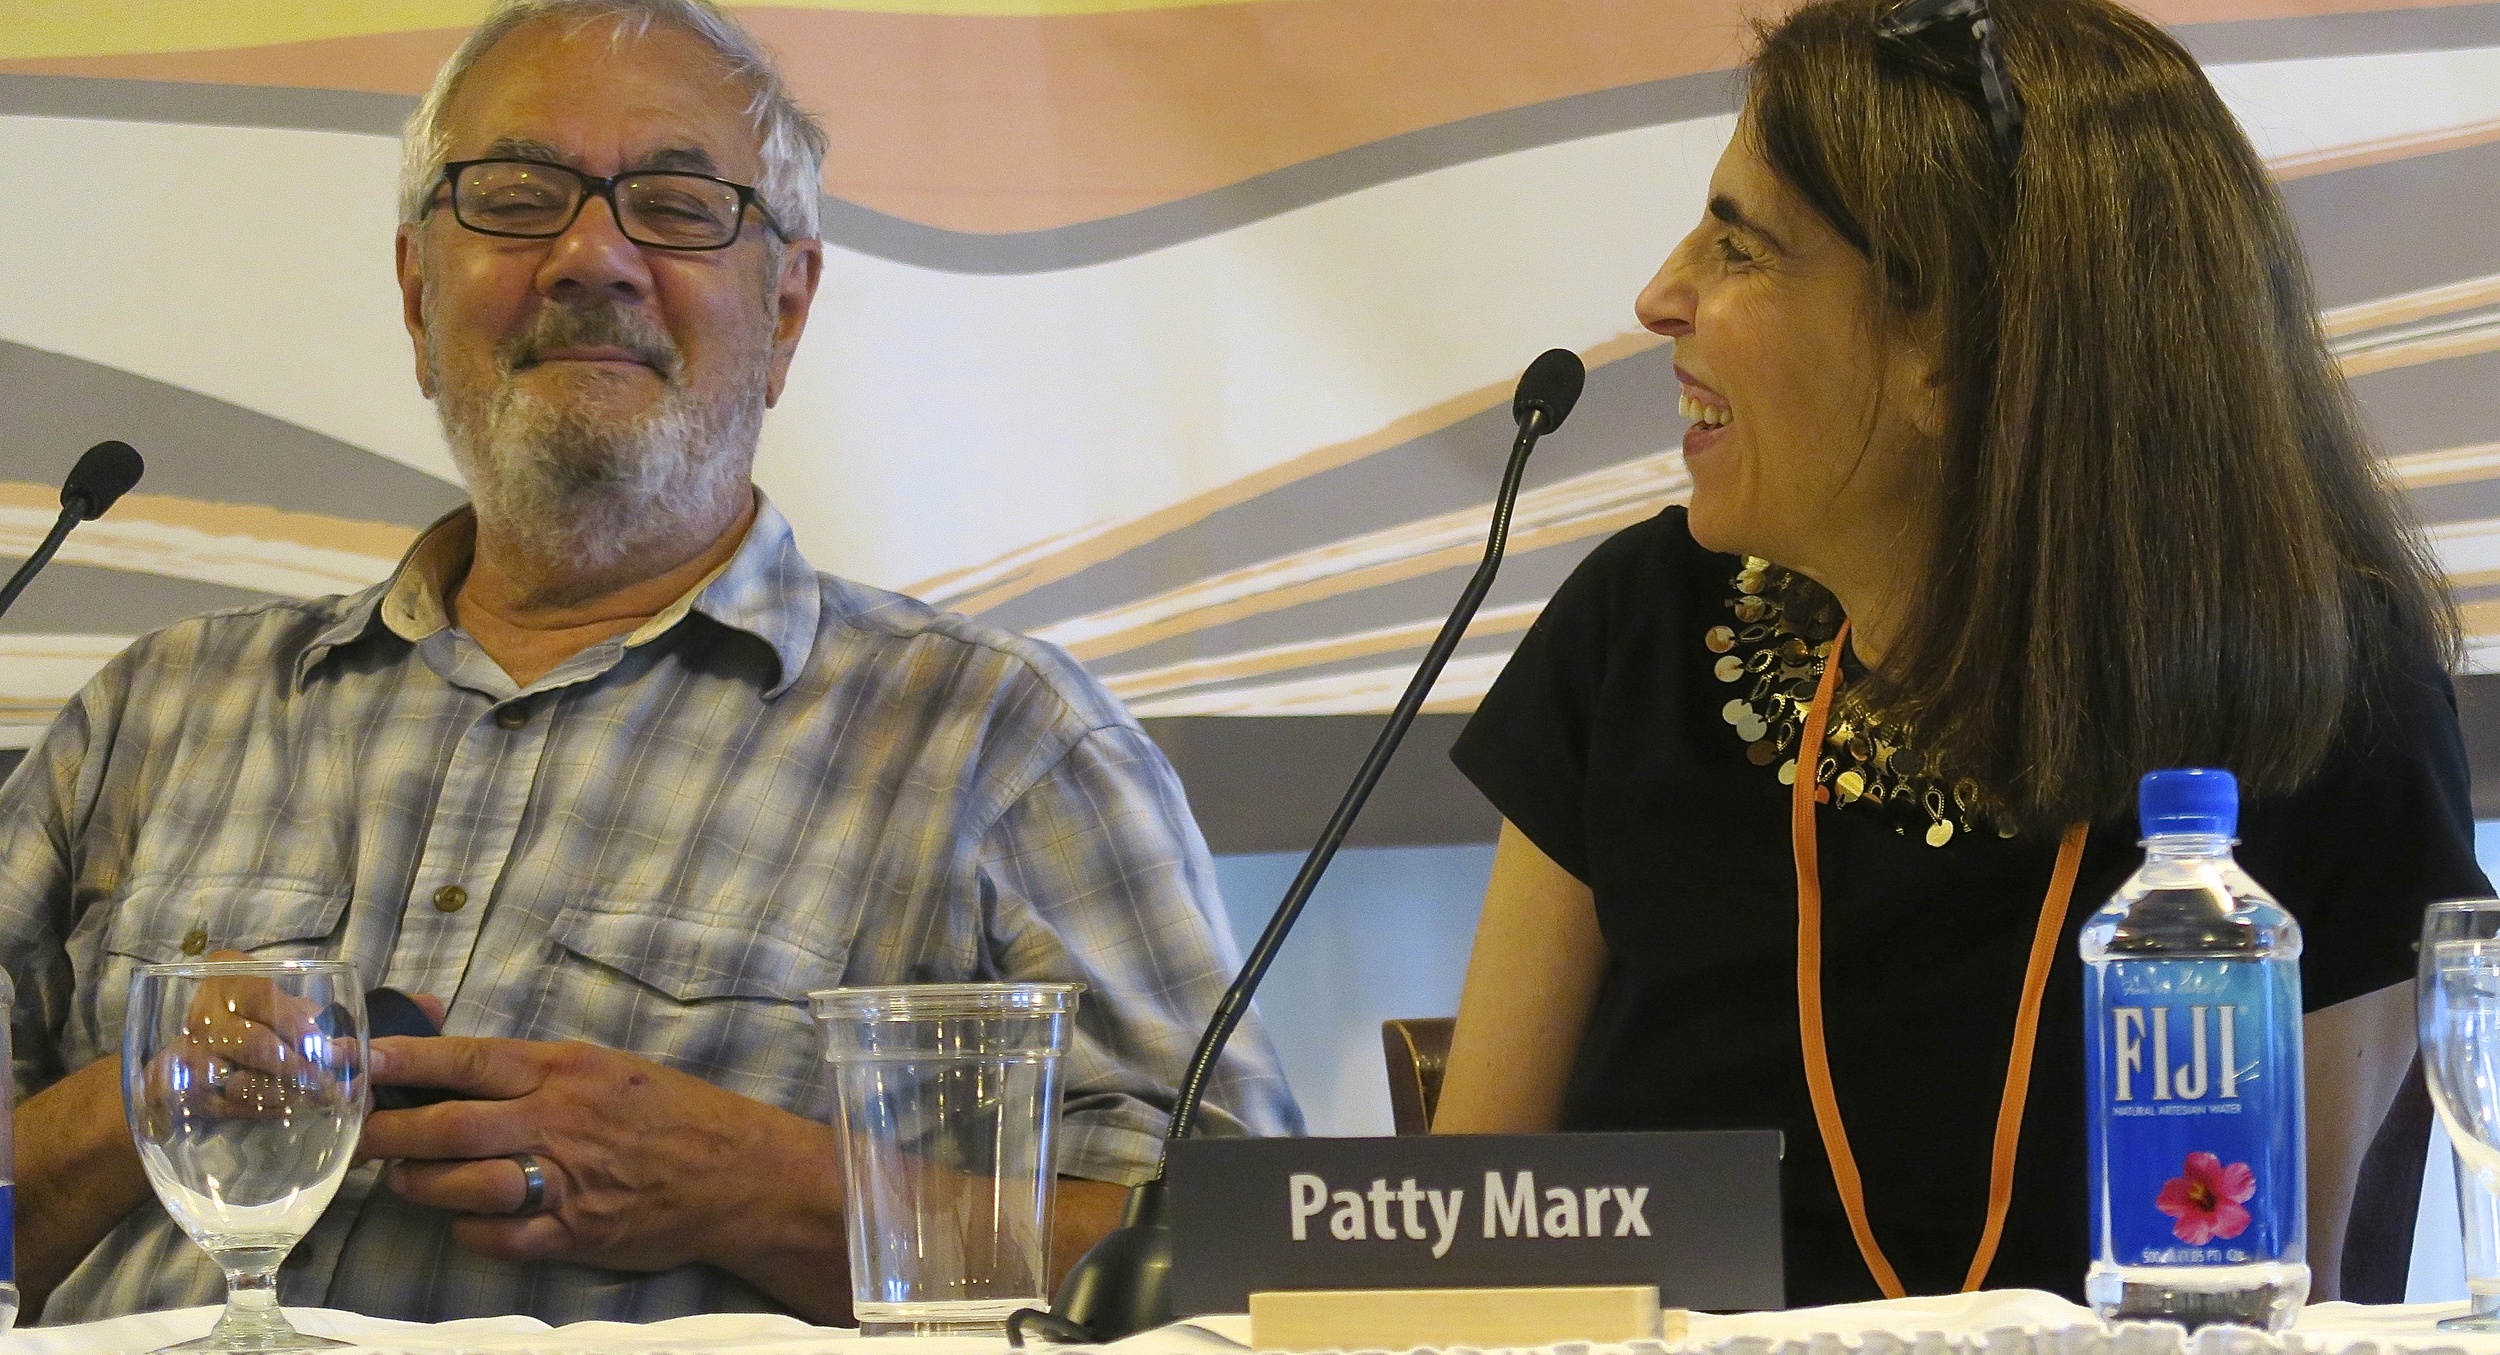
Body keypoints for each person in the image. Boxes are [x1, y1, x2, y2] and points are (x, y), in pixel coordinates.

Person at [0, 0, 1296, 1325]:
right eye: (515, 198)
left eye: (677, 207)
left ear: (786, 308)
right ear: (413, 290)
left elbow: (1253, 1264)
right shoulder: (149, 718)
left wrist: (762, 1189)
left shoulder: (996, 744)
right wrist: (136, 1100)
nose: (590, 257)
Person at [1432, 0, 2482, 1309]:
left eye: (1741, 245)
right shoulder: (1640, 625)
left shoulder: (2321, 685)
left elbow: (2287, 1303)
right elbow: (1462, 1263)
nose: (1662, 296)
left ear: (1954, 345)